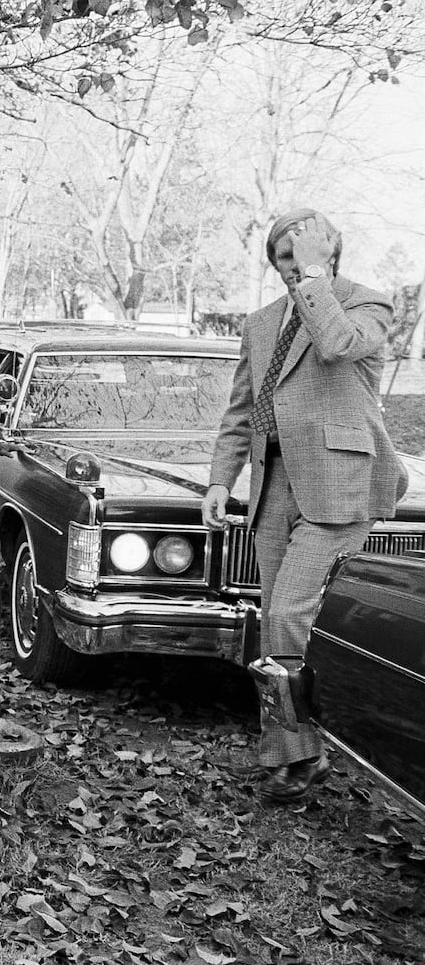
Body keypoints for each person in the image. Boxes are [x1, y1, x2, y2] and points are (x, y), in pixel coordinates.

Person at [202, 208, 408, 802]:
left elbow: (339, 345)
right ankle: (293, 757)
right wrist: (222, 480)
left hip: (340, 483)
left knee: (291, 613)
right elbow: (242, 410)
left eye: (305, 254)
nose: (293, 268)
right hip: (272, 487)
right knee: (276, 619)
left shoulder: (366, 305)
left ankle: (308, 750)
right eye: (284, 257)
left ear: (330, 251)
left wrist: (315, 275)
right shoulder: (262, 322)